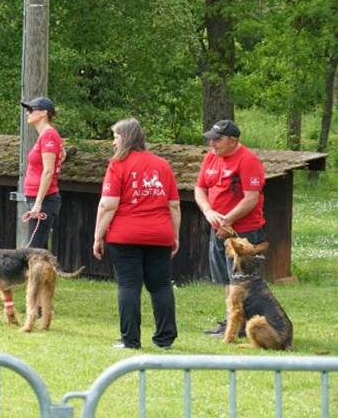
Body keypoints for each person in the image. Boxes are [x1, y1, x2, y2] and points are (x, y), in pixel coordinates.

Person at [93, 118, 180, 349]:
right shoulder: (163, 165)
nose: (113, 142)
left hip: (125, 236)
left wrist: (97, 236)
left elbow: (107, 205)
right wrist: (175, 235)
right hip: (160, 234)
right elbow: (174, 205)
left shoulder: (118, 165)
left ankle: (130, 340)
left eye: (116, 137)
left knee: (129, 286)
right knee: (161, 286)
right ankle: (165, 340)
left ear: (126, 138)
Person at [194, 120, 266, 336]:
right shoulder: (211, 158)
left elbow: (251, 198)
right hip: (219, 229)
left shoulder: (248, 160)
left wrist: (227, 221)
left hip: (243, 231)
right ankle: (231, 321)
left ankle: (245, 323)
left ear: (233, 140)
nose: (212, 143)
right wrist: (208, 212)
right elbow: (200, 189)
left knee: (242, 280)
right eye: (211, 139)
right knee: (225, 278)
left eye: (218, 139)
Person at [20, 97, 63, 249]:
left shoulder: (49, 135)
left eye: (31, 110)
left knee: (32, 253)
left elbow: (49, 171)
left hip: (44, 200)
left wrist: (38, 203)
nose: (27, 113)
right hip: (39, 199)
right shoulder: (46, 136)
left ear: (44, 113)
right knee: (39, 254)